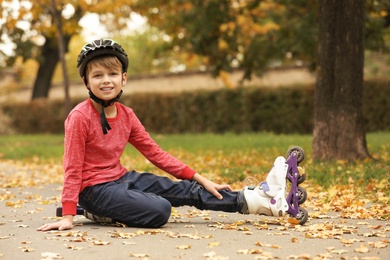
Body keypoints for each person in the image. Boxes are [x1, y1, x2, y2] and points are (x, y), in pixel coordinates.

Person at [37, 39, 289, 231]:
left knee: (186, 190)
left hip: (121, 178)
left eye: (113, 74)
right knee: (160, 209)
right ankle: (96, 211)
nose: (106, 81)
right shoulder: (79, 117)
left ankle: (258, 201)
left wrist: (201, 178)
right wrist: (68, 215)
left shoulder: (126, 115)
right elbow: (72, 167)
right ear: (86, 82)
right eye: (97, 75)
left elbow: (155, 153)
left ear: (123, 79)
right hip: (95, 190)